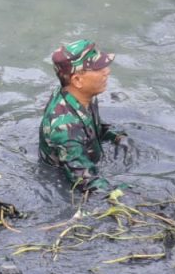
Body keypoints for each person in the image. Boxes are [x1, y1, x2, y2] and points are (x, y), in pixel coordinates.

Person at [39, 39, 126, 195]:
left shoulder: (81, 96)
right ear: (78, 80)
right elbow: (87, 183)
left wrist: (117, 137)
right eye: (99, 68)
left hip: (83, 158)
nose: (107, 71)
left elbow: (94, 128)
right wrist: (127, 192)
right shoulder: (64, 129)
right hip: (61, 184)